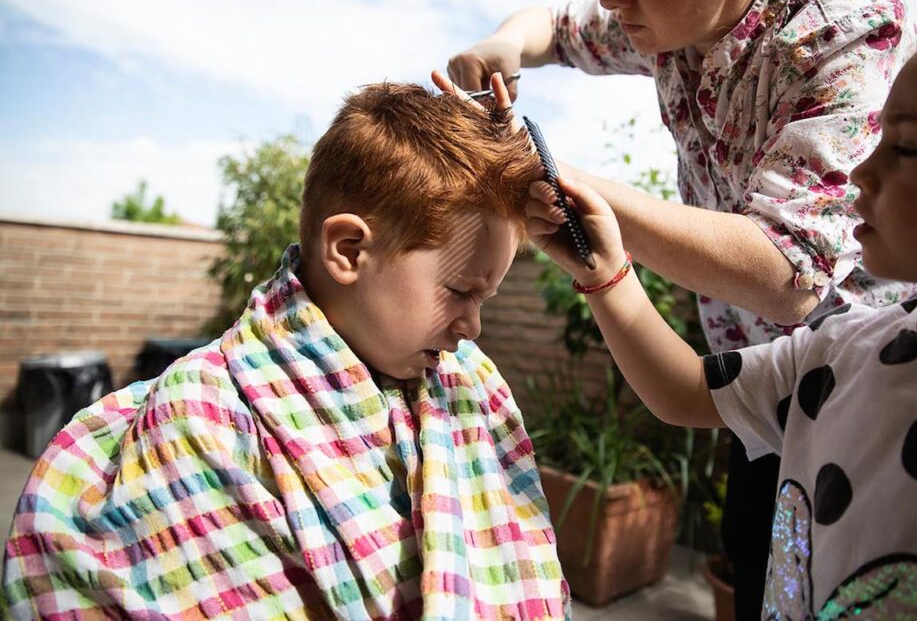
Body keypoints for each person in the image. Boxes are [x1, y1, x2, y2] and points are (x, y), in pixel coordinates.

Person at [524, 0, 917, 618]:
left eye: (906, 147)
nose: (862, 171)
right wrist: (602, 269)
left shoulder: (840, 26)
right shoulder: (840, 351)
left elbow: (786, 268)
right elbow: (684, 390)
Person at [447, 0, 917, 612]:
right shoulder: (674, 22)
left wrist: (571, 187)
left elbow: (788, 274)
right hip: (754, 395)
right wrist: (504, 44)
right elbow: (553, 28)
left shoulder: (848, 29)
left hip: (871, 400)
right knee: (760, 571)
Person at [2, 82, 570, 619]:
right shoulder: (202, 418)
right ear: (348, 250)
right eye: (460, 291)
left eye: (486, 297)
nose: (473, 327)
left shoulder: (465, 384)